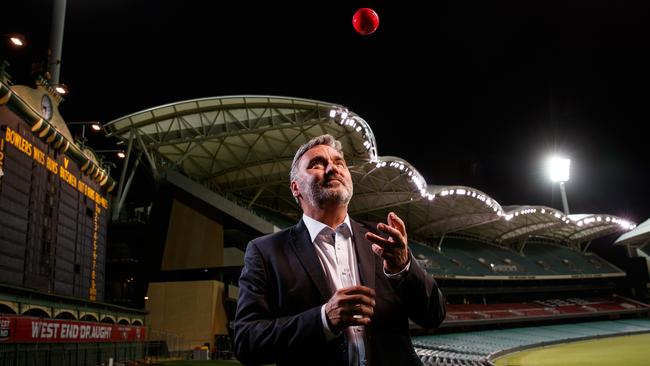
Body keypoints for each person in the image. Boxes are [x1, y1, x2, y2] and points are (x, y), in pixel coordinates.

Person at [234, 134, 446, 366]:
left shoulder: (384, 239)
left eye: (339, 162)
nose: (331, 169)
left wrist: (403, 268)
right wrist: (324, 319)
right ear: (296, 188)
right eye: (317, 164)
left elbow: (433, 316)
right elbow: (246, 342)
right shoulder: (266, 251)